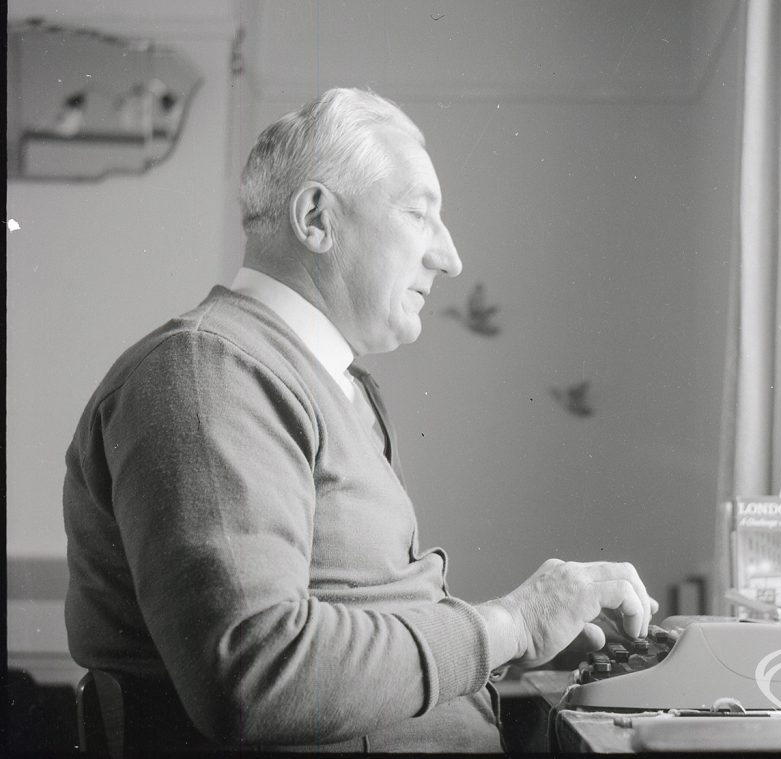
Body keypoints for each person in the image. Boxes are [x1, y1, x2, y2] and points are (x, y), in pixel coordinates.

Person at [63, 87, 657, 753]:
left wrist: (509, 646)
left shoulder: (332, 385)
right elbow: (256, 671)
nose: (450, 256)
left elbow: (352, 625)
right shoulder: (211, 370)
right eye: (420, 215)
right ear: (316, 217)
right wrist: (510, 623)